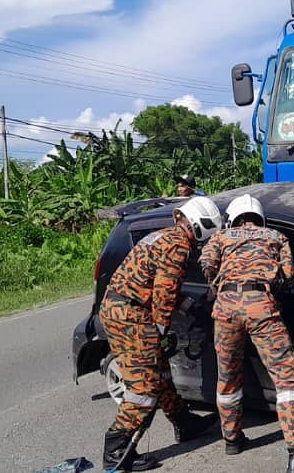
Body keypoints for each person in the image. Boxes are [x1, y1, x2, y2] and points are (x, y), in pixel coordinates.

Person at [199, 194, 294, 473]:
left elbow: (206, 265)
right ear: (260, 217)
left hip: (225, 309)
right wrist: (273, 288)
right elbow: (288, 274)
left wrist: (220, 287)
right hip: (262, 308)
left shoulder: (221, 238)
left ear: (232, 218)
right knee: (286, 381)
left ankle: (232, 439)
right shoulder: (276, 236)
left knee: (228, 377)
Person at [99, 196, 223, 471]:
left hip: (121, 308)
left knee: (160, 372)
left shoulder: (163, 237)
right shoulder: (178, 245)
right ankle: (117, 448)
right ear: (200, 225)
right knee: (144, 388)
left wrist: (189, 305)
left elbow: (159, 283)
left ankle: (184, 422)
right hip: (131, 316)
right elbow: (164, 293)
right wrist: (162, 328)